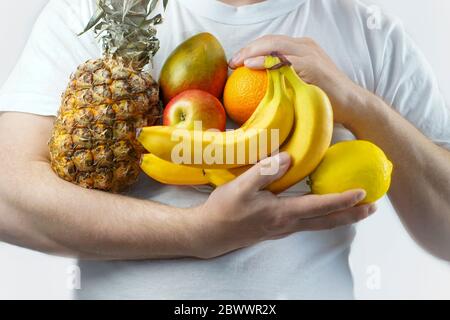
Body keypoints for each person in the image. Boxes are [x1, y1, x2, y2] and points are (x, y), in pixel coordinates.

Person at [0, 0, 449, 300]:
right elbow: (9, 198)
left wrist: (359, 106)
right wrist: (197, 233)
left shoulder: (372, 33)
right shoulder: (88, 11)